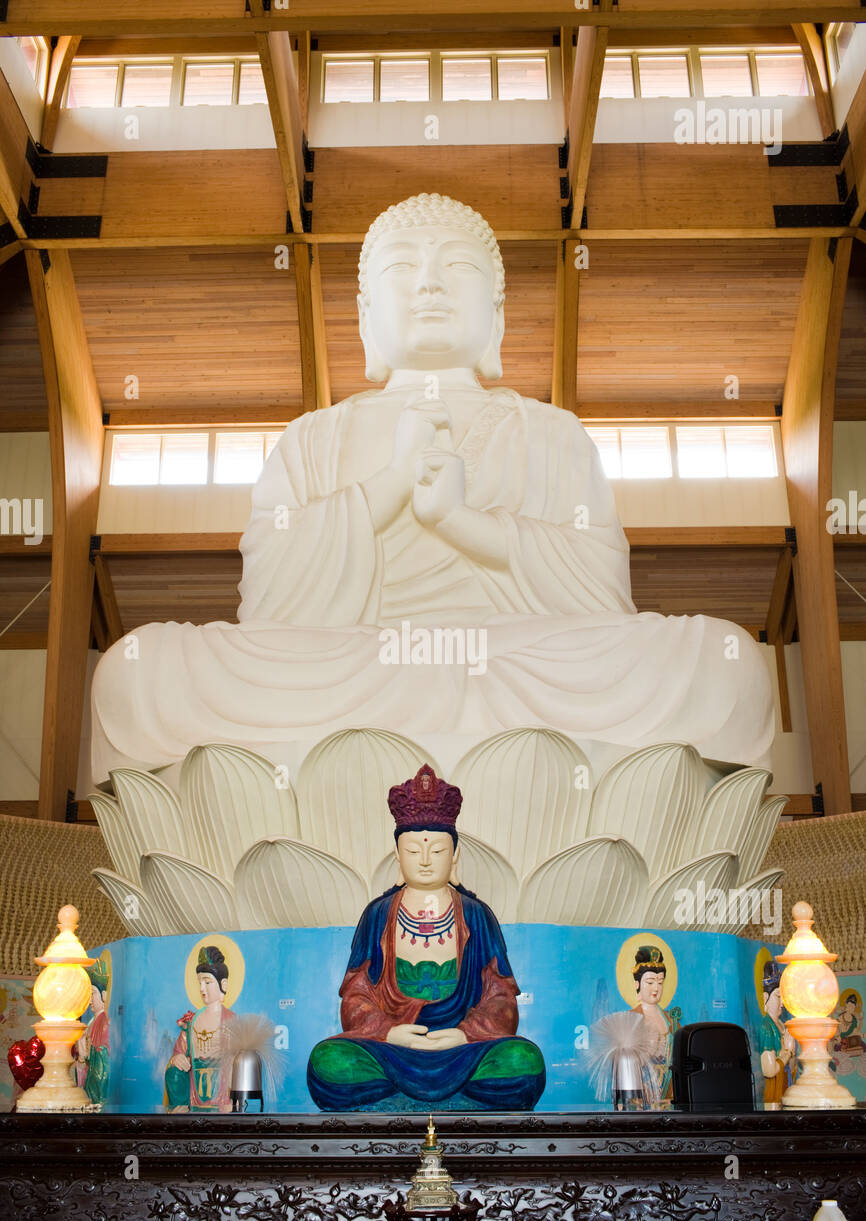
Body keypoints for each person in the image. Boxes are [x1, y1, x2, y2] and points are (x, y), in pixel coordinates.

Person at [90, 193, 773, 786]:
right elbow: (273, 609)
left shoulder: (551, 432)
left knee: (721, 660)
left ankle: (334, 776)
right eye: (402, 269)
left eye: (457, 267)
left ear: (497, 316)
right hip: (349, 666)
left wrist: (463, 521)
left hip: (524, 664)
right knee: (138, 667)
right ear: (365, 318)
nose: (429, 285)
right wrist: (388, 487)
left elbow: (601, 603)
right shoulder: (313, 437)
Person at [307, 763, 545, 1110]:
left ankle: (411, 1108)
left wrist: (466, 1033)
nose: (425, 861)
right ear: (397, 856)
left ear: (455, 855)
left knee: (523, 1061)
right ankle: (450, 1108)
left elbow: (501, 999)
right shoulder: (378, 915)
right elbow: (356, 998)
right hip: (393, 1051)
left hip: (463, 1051)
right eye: (414, 851)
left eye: (436, 851)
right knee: (328, 1062)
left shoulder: (477, 915)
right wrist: (388, 1031)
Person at [165, 945, 236, 1113]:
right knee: (173, 1073)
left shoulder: (232, 1021)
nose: (202, 988)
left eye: (208, 982)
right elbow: (179, 1052)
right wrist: (178, 1058)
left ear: (223, 984)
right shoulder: (191, 1021)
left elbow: (238, 1062)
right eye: (199, 982)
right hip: (194, 1094)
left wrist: (231, 1096)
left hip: (221, 1097)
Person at [630, 944, 681, 1103]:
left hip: (670, 1096)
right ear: (637, 984)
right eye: (650, 982)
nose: (656, 988)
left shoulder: (671, 1019)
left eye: (660, 982)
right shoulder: (631, 1020)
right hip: (642, 1097)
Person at [73, 959, 111, 1105]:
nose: (89, 1001)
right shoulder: (90, 1023)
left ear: (104, 995)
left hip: (98, 1088)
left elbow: (103, 1062)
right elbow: (86, 1060)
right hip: (89, 1083)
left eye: (93, 994)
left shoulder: (105, 1022)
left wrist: (89, 1055)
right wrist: (82, 1059)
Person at [759, 959, 794, 1105]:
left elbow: (792, 1067)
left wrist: (791, 1052)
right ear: (765, 998)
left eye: (784, 998)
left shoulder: (781, 1025)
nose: (783, 1004)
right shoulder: (767, 1028)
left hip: (786, 1088)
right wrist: (788, 1053)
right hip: (773, 1096)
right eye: (778, 996)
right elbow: (769, 1070)